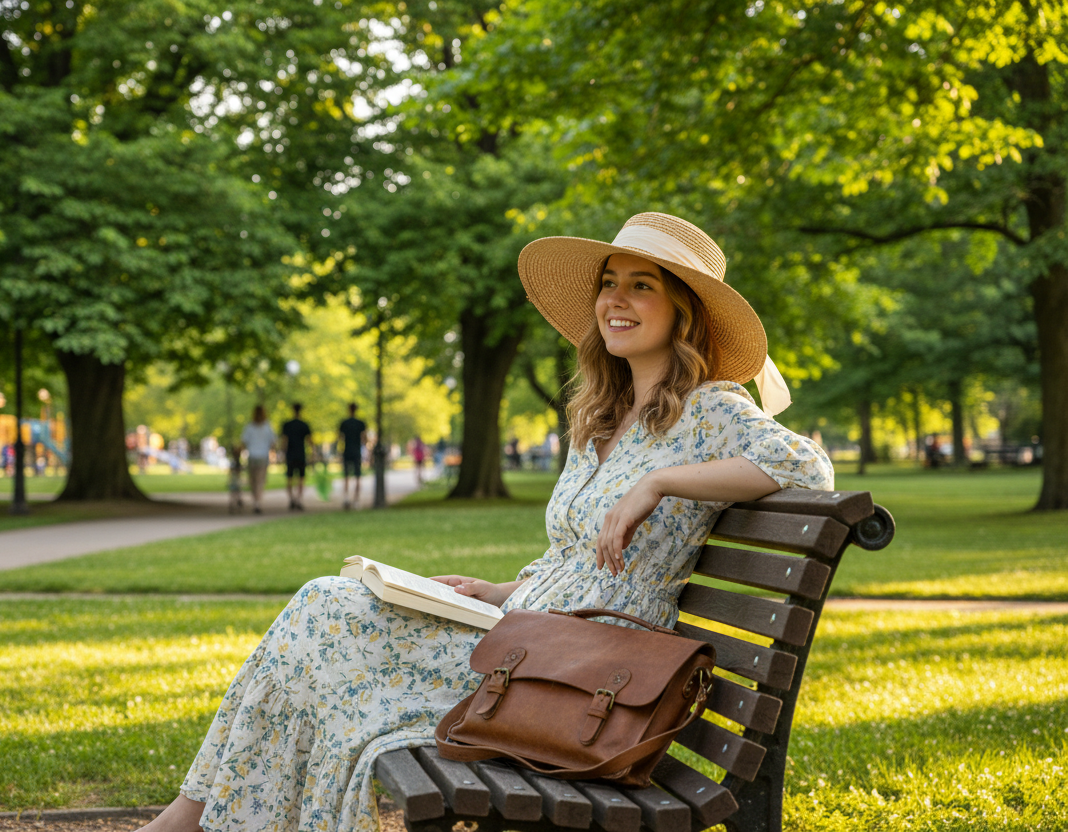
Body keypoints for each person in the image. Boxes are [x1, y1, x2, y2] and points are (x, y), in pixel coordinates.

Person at [138, 212, 833, 832]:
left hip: (587, 671)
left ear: (684, 311)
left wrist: (660, 481)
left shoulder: (712, 406)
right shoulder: (600, 418)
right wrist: (496, 591)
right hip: (528, 632)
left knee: (323, 614)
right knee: (327, 608)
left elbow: (811, 471)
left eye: (642, 285)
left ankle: (184, 823)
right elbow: (574, 552)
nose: (615, 299)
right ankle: (192, 820)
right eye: (608, 281)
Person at [240, 406, 275, 515]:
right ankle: (257, 501)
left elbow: (243, 442)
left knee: (253, 480)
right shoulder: (267, 427)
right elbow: (273, 442)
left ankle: (255, 501)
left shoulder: (249, 427)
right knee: (260, 480)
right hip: (262, 456)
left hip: (253, 456)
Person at [280, 403, 313, 511]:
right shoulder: (304, 425)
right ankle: (298, 499)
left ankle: (292, 499)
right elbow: (310, 441)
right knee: (301, 479)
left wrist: (282, 453)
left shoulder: (287, 425)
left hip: (290, 455)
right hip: (301, 455)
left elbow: (284, 441)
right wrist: (313, 454)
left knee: (289, 479)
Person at [337, 403, 367, 509]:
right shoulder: (360, 424)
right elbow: (364, 439)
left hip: (347, 451)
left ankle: (346, 498)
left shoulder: (344, 423)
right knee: (358, 477)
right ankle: (356, 500)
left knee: (346, 477)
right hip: (356, 452)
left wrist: (339, 451)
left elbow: (340, 438)